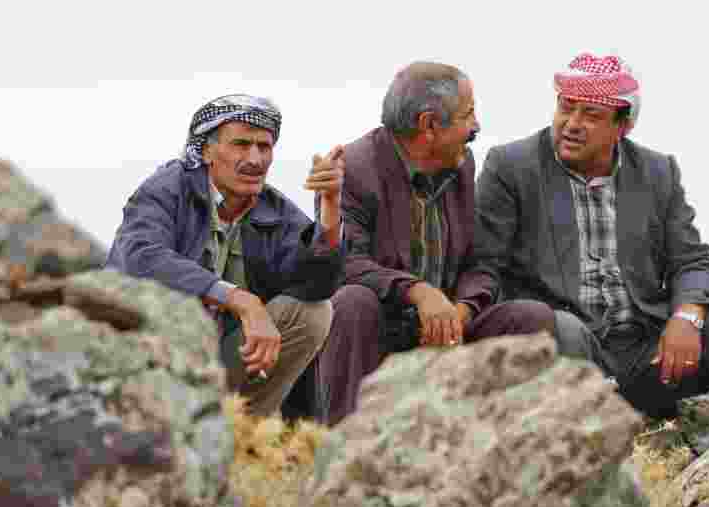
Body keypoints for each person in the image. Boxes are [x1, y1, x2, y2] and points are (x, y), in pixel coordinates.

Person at [473, 53, 709, 428]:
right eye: (566, 108)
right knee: (562, 327)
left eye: (591, 115)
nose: (572, 124)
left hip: (648, 353)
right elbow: (484, 264)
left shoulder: (657, 172)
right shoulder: (510, 167)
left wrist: (687, 317)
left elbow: (692, 261)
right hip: (565, 353)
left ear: (623, 127)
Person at [319, 62, 555, 426]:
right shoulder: (353, 168)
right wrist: (417, 292)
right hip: (383, 330)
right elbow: (345, 264)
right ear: (429, 124)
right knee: (352, 302)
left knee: (530, 318)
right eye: (469, 113)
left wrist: (459, 313)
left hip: (443, 334)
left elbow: (481, 262)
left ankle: (501, 456)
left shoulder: (461, 162)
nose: (476, 126)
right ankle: (346, 449)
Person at [107, 94, 345, 416]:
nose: (255, 158)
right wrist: (240, 300)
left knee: (312, 312)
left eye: (264, 147)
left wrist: (330, 211)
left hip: (221, 359)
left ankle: (244, 431)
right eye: (241, 144)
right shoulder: (168, 187)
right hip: (147, 355)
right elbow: (141, 257)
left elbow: (317, 284)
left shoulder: (274, 209)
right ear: (206, 150)